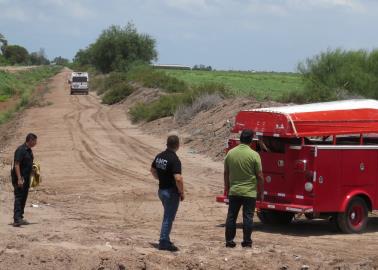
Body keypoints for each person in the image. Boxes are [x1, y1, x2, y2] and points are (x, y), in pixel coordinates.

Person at [224, 129, 263, 248]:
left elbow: (226, 173)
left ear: (240, 139)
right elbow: (260, 176)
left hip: (234, 191)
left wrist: (227, 187)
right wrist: (260, 191)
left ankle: (229, 241)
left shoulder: (230, 153)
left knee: (231, 216)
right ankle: (247, 242)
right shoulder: (254, 155)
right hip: (249, 192)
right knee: (248, 217)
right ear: (251, 141)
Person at [150, 135, 184, 252]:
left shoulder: (160, 156)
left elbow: (153, 170)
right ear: (178, 145)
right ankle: (164, 241)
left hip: (161, 190)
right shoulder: (174, 159)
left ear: (167, 144)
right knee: (168, 217)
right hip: (170, 192)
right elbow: (178, 179)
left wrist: (160, 178)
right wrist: (182, 192)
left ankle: (166, 238)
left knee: (167, 216)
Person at [11, 133, 37, 227]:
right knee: (19, 197)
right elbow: (17, 164)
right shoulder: (20, 150)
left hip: (26, 178)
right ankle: (16, 219)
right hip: (20, 178)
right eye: (35, 141)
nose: (36, 143)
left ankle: (20, 217)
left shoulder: (29, 151)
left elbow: (28, 163)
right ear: (30, 140)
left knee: (24, 197)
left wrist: (32, 170)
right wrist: (19, 179)